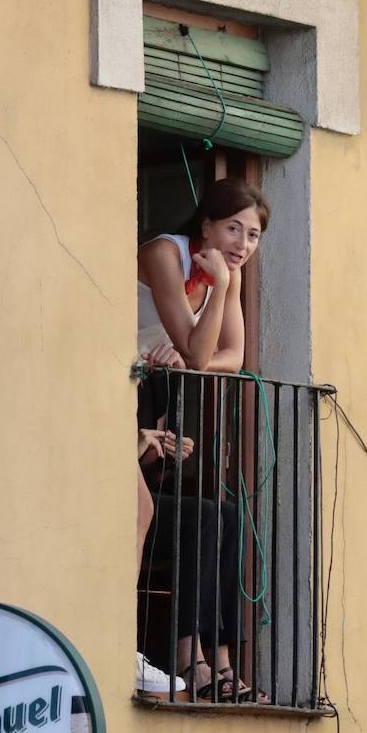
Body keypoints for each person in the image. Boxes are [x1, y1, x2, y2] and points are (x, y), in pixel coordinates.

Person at [134, 177, 270, 701]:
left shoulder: (224, 275)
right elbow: (197, 355)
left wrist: (220, 288)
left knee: (226, 516)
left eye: (254, 235)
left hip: (149, 405)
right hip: (117, 401)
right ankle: (189, 664)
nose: (242, 244)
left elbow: (231, 359)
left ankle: (219, 664)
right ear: (206, 225)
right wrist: (216, 292)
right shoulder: (166, 254)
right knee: (192, 517)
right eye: (233, 228)